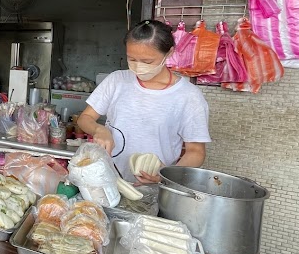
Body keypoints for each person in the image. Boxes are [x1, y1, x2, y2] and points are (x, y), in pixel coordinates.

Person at [77, 20, 211, 184]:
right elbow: (85, 118)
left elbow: (196, 152)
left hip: (155, 187)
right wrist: (99, 130)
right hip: (107, 178)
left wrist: (166, 177)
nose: (138, 67)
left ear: (169, 53)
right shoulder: (117, 81)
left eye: (147, 61)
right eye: (131, 59)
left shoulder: (188, 96)